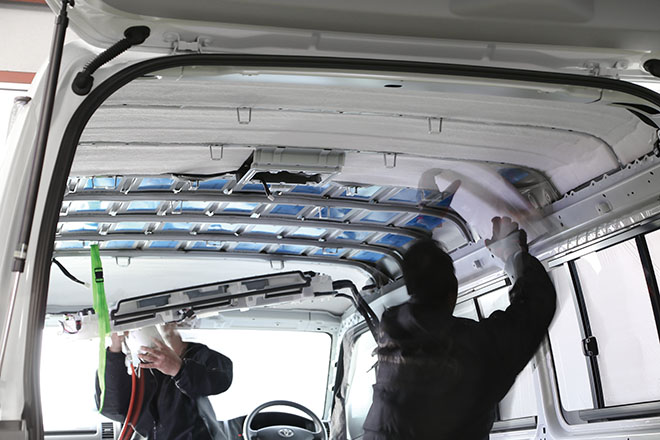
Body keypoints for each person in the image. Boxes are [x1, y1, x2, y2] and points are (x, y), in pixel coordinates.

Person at [362, 216, 556, 440]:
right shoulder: (472, 350)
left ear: (410, 288)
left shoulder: (390, 338)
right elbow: (535, 306)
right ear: (452, 291)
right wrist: (512, 251)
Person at [95, 323, 233, 439]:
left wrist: (178, 369)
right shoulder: (141, 371)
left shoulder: (197, 356)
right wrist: (115, 348)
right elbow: (112, 408)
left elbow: (220, 379)